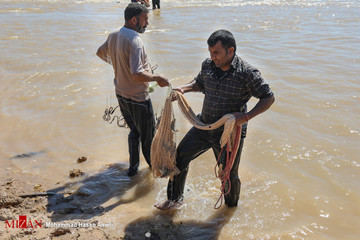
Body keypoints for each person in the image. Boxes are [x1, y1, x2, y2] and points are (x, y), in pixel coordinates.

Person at [155, 29, 275, 210]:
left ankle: (230, 211)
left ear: (231, 51)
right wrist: (184, 90)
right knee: (179, 158)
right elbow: (199, 83)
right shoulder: (208, 65)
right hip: (204, 126)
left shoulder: (247, 73)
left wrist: (247, 116)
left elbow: (268, 97)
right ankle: (175, 201)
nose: (212, 57)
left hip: (229, 133)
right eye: (210, 52)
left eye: (216, 53)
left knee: (228, 174)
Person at [96, 3, 169, 176]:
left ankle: (132, 169)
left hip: (121, 94)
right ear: (134, 19)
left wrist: (118, 65)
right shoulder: (135, 40)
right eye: (145, 19)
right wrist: (157, 78)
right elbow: (137, 74)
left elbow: (100, 53)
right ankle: (155, 171)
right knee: (148, 137)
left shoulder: (114, 34)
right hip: (138, 98)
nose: (147, 24)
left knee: (134, 132)